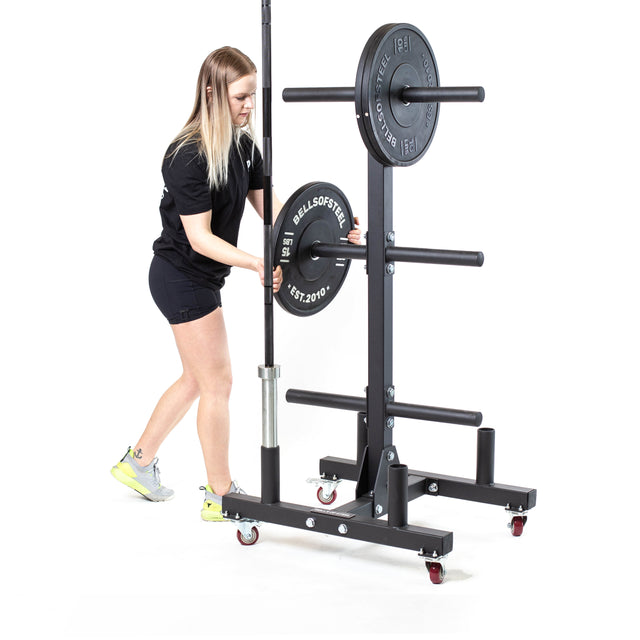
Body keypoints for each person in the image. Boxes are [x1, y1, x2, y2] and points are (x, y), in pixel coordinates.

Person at [111, 47, 361, 521]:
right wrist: (253, 264)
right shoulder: (187, 155)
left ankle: (137, 463)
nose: (250, 105)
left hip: (200, 276)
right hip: (180, 276)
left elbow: (277, 216)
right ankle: (220, 494)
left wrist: (331, 227)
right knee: (219, 382)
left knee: (197, 378)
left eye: (252, 95)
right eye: (242, 96)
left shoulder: (244, 148)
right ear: (212, 93)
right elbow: (200, 237)